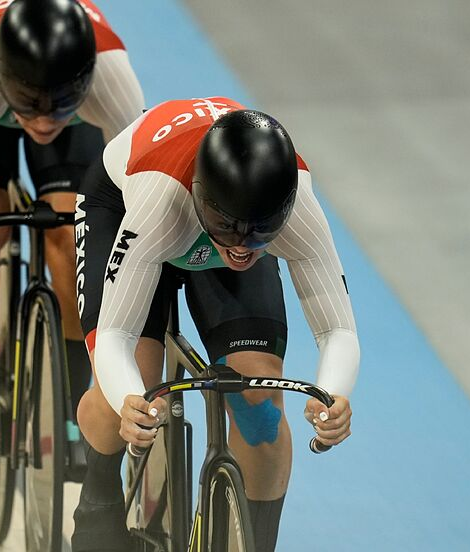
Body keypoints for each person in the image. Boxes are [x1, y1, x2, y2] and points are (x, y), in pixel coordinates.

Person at [72, 98, 360, 551]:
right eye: (231, 230)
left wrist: (335, 395)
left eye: (261, 232)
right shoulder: (159, 199)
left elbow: (337, 329)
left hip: (218, 214)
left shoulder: (292, 199)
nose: (243, 248)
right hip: (130, 207)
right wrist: (128, 400)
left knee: (261, 410)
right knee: (131, 389)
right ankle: (98, 492)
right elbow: (114, 336)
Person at [0, 0, 144, 417]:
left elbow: (133, 191)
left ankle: (70, 400)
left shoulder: (112, 77)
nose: (43, 124)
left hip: (73, 121)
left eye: (59, 104)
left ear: (85, 82)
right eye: (29, 105)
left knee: (70, 239)